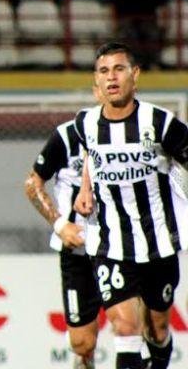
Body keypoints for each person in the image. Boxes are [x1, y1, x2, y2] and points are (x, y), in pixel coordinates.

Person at [74, 42, 188, 369]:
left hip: (159, 243)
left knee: (158, 328)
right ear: (96, 82)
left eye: (119, 69)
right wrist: (85, 189)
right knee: (125, 327)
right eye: (104, 71)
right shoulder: (85, 124)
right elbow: (89, 155)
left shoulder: (161, 123)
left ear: (134, 76)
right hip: (111, 243)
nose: (112, 77)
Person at [24, 114, 101, 369]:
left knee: (130, 326)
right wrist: (60, 225)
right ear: (96, 88)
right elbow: (32, 183)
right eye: (103, 72)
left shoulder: (141, 130)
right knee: (82, 343)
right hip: (77, 249)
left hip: (125, 248)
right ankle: (83, 360)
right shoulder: (66, 136)